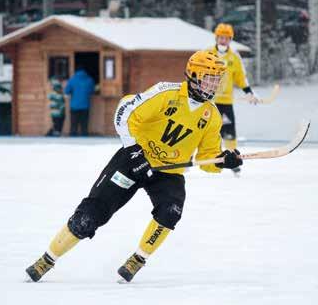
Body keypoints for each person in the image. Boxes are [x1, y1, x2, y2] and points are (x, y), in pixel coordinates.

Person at [25, 50, 243, 283]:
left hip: (168, 173)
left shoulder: (212, 116)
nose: (214, 84)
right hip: (133, 161)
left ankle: (137, 260)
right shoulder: (165, 92)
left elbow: (207, 159)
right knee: (90, 216)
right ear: (193, 75)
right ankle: (47, 259)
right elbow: (124, 112)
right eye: (209, 78)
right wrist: (134, 151)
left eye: (217, 79)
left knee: (171, 212)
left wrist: (223, 160)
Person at [211, 23, 258, 176]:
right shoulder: (208, 53)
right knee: (202, 130)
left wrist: (249, 92)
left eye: (226, 38)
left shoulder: (234, 57)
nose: (223, 40)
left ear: (230, 39)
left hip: (226, 103)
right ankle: (190, 157)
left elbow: (240, 77)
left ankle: (233, 161)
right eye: (220, 37)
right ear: (216, 38)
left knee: (229, 133)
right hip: (209, 102)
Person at [64, 65, 95, 136]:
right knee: (84, 124)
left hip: (74, 105)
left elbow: (67, 91)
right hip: (85, 105)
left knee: (74, 124)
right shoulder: (89, 80)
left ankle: (73, 135)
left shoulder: (72, 79)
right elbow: (92, 91)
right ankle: (84, 135)